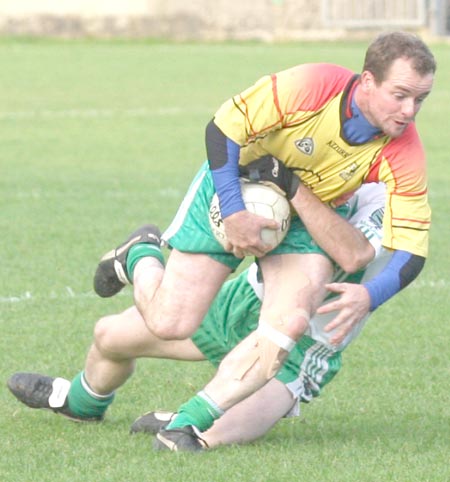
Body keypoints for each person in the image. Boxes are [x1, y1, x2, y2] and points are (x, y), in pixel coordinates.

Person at [88, 31, 435, 449]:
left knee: (287, 324)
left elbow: (413, 249)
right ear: (366, 81)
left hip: (309, 216)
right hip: (233, 183)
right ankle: (140, 255)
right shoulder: (311, 85)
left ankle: (188, 423)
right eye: (400, 95)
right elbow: (222, 129)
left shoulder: (403, 150)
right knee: (169, 323)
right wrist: (233, 211)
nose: (410, 110)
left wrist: (370, 296)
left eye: (420, 99)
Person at [8, 183, 388, 451]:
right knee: (109, 336)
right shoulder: (313, 159)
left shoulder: (391, 198)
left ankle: (182, 419)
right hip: (243, 300)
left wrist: (371, 292)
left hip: (302, 343)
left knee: (204, 437)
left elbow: (353, 253)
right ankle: (81, 400)